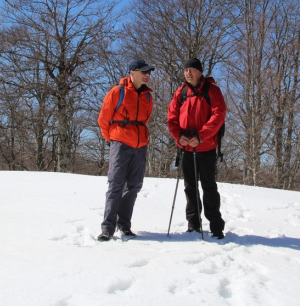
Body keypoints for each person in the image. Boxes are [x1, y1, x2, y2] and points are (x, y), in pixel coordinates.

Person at [167, 58, 226, 239]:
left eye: (192, 69)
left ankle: (216, 227)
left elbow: (219, 114)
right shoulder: (181, 92)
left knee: (209, 187)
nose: (188, 73)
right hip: (186, 149)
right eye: (186, 70)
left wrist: (201, 136)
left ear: (200, 72)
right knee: (190, 187)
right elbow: (171, 118)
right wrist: (178, 136)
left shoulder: (212, 91)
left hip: (206, 147)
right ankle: (194, 224)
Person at [97, 59, 155, 242]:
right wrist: (113, 140)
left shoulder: (148, 96)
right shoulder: (117, 91)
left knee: (134, 185)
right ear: (132, 72)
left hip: (140, 146)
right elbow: (103, 119)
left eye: (149, 72)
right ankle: (107, 229)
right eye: (143, 72)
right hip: (120, 144)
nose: (147, 75)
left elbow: (145, 120)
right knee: (116, 185)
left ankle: (124, 225)